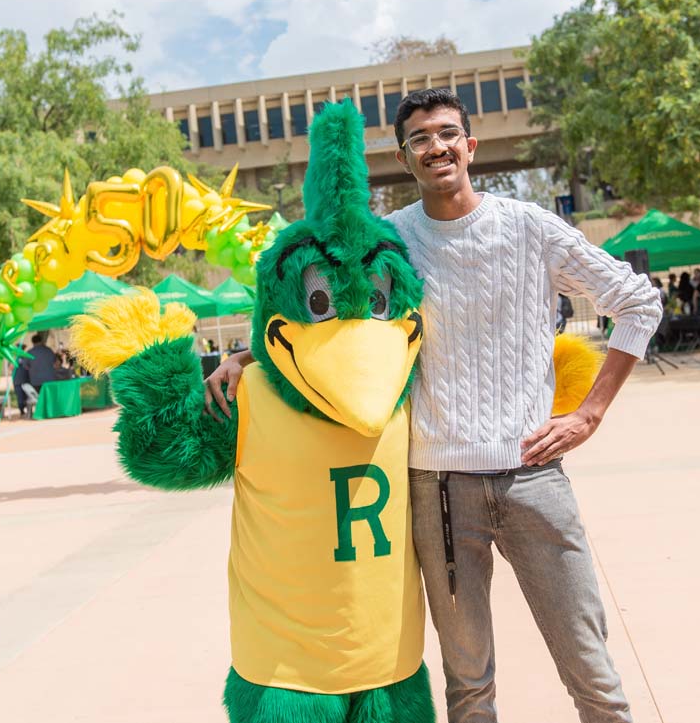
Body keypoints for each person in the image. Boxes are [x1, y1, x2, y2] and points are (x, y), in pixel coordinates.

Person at [206, 87, 661, 723]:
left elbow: (639, 302)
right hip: (438, 488)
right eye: (420, 139)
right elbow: (333, 320)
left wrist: (590, 412)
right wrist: (250, 356)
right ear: (406, 156)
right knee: (469, 686)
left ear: (470, 145)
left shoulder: (531, 228)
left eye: (448, 133)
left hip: (533, 479)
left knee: (590, 669)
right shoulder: (390, 242)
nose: (436, 146)